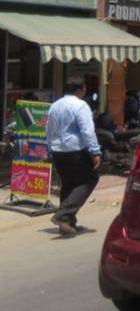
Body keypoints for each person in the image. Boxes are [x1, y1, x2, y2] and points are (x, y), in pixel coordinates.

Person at [46, 81, 101, 236]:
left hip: (58, 151)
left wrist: (49, 150)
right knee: (89, 179)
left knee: (69, 184)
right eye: (84, 88)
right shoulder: (81, 106)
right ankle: (62, 215)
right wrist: (95, 152)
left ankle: (68, 224)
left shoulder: (54, 106)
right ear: (80, 90)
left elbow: (48, 130)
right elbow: (87, 131)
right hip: (75, 150)